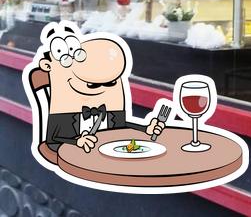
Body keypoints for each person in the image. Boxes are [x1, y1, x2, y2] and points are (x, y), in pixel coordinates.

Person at [36, 23, 165, 152]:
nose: (101, 87)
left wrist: (145, 129)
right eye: (93, 84)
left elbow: (121, 127)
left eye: (110, 83)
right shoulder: (65, 103)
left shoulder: (110, 100)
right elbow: (54, 141)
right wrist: (76, 141)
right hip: (72, 155)